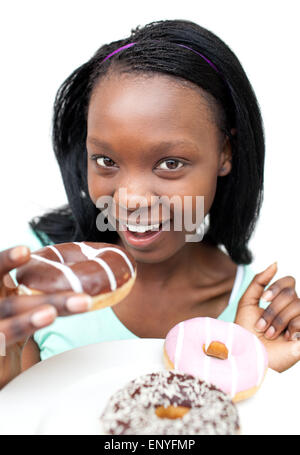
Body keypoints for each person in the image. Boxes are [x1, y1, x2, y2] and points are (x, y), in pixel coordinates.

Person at [1, 19, 299, 389]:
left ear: (226, 152)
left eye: (170, 164)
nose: (130, 199)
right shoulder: (31, 283)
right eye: (106, 161)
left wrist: (251, 371)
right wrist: (6, 369)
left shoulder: (258, 317)